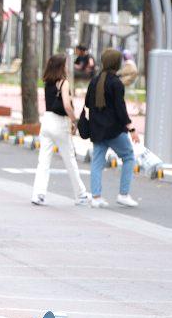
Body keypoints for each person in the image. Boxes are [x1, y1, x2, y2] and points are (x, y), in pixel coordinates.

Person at [31, 54, 90, 206]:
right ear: (60, 66)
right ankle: (81, 194)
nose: (66, 67)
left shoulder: (47, 82)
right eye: (65, 64)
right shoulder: (63, 83)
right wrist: (74, 119)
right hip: (59, 123)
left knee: (43, 161)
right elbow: (66, 105)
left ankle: (38, 194)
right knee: (69, 159)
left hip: (47, 120)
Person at [85, 48, 139, 208]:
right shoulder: (116, 83)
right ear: (117, 63)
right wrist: (132, 129)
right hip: (114, 131)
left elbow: (88, 103)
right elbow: (120, 110)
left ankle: (96, 197)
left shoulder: (94, 81)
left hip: (97, 130)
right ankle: (123, 194)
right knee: (128, 156)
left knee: (97, 162)